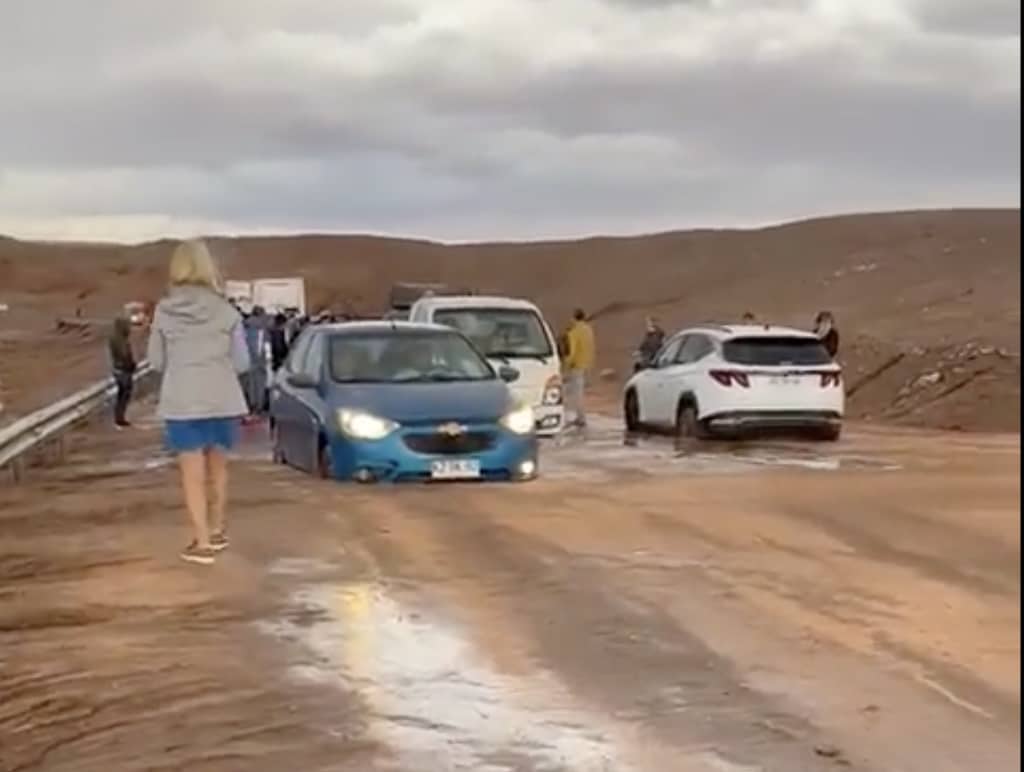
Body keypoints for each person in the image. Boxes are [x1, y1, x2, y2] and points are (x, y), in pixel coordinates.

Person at [146, 240, 250, 565]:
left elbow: (155, 361)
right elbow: (243, 362)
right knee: (218, 469)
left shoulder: (164, 312)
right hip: (222, 399)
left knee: (192, 474)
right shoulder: (227, 311)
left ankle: (201, 542)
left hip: (183, 400)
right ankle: (218, 530)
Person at [563, 308, 596, 429]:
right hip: (586, 364)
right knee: (579, 392)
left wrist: (566, 364)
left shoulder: (574, 332)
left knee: (576, 393)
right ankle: (579, 416)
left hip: (576, 365)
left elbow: (572, 351)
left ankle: (580, 418)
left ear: (574, 318)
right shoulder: (588, 330)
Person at [108, 313, 137, 428]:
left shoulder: (116, 338)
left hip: (119, 369)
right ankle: (119, 417)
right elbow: (124, 354)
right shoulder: (120, 340)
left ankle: (120, 417)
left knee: (123, 394)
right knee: (124, 393)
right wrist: (131, 364)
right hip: (123, 370)